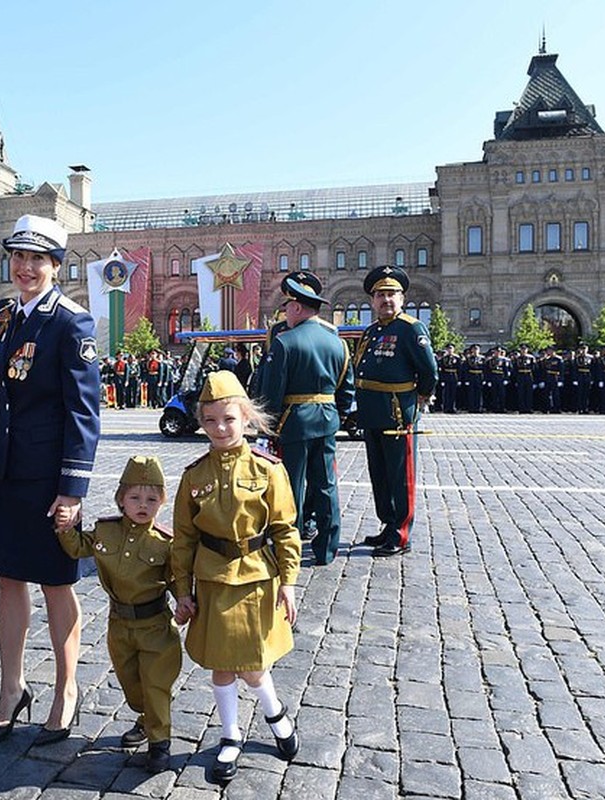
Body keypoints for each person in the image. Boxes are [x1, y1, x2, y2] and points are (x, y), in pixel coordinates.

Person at [0, 214, 101, 747]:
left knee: (57, 583)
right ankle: (11, 688)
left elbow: (84, 413)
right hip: (12, 475)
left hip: (50, 480)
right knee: (8, 580)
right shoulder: (5, 320)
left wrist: (73, 490)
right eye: (18, 257)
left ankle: (66, 689)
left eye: (37, 259)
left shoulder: (71, 323)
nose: (25, 267)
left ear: (56, 266)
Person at [171, 370, 301, 783]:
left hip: (257, 580)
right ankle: (230, 736)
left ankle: (275, 713)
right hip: (212, 581)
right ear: (200, 422)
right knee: (222, 667)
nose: (219, 428)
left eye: (228, 419)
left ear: (245, 417)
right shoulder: (194, 475)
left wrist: (289, 582)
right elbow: (183, 539)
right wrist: (182, 592)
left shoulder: (268, 469)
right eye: (210, 421)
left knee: (254, 665)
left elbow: (285, 529)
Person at [55, 456, 180, 774]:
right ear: (121, 499)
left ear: (161, 503)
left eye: (152, 499)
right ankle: (146, 717)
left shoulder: (165, 543)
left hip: (155, 627)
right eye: (135, 497)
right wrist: (65, 526)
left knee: (155, 684)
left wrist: (185, 602)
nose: (143, 505)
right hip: (119, 625)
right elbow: (78, 548)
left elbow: (177, 580)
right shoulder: (106, 531)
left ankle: (159, 745)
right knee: (131, 684)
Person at [259, 273, 354, 566]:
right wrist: (335, 414)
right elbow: (345, 388)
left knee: (292, 487)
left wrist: (267, 427)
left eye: (287, 306)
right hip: (326, 421)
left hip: (293, 421)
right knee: (325, 485)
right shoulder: (338, 343)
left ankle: (291, 546)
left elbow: (273, 392)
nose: (285, 312)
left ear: (298, 307)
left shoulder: (285, 342)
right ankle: (327, 547)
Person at [352, 266, 438, 558]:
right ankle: (388, 525)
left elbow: (429, 371)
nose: (386, 300)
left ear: (402, 298)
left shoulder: (411, 328)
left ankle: (401, 534)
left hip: (397, 415)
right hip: (373, 415)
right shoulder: (372, 330)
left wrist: (418, 400)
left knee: (400, 477)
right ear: (372, 300)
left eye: (392, 294)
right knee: (380, 475)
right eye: (380, 295)